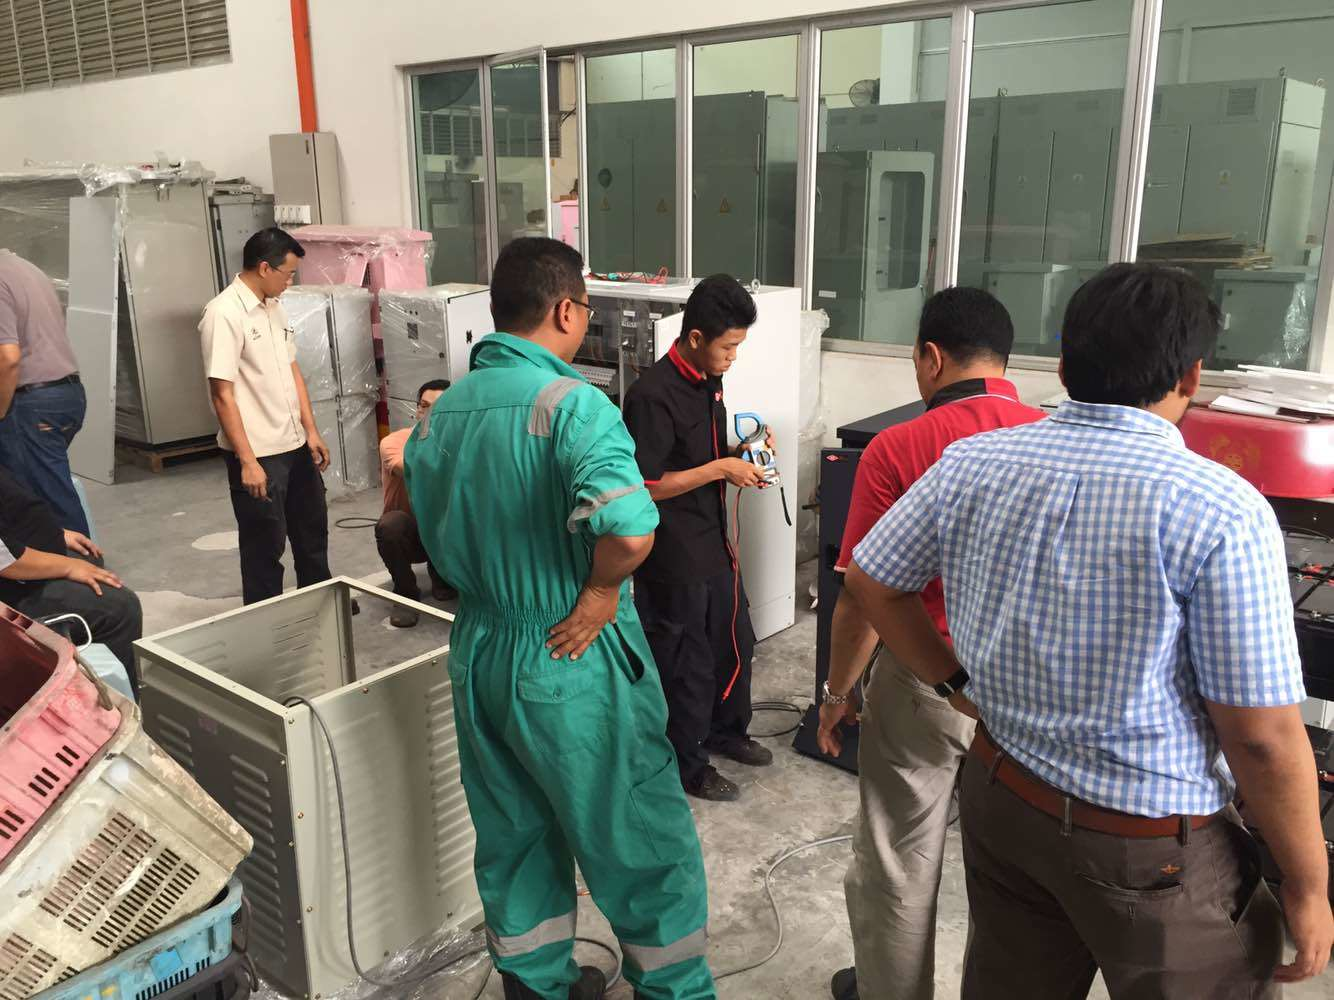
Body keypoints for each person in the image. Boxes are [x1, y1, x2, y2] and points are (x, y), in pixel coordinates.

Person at [846, 263, 1333, 999]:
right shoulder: (1219, 509)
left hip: (1003, 800)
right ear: (1192, 375)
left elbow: (872, 581)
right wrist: (1306, 882)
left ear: (1065, 363)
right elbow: (1262, 736)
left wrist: (954, 682)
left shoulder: (971, 463)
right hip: (1148, 848)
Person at [404, 237, 713, 1000]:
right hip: (568, 650)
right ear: (568, 309)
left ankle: (535, 984)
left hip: (479, 648)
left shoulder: (440, 413)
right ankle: (674, 990)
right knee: (640, 842)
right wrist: (601, 594)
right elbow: (631, 529)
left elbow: (421, 520)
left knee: (514, 834)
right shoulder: (574, 404)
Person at [816, 287, 1044, 1000]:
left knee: (898, 856)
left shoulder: (901, 446)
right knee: (1010, 874)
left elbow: (863, 594)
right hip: (1024, 695)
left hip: (925, 682)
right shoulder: (1050, 438)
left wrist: (837, 693)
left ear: (931, 356)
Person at [621, 275, 772, 802]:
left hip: (714, 543)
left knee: (736, 640)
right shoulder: (651, 395)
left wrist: (743, 450)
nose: (733, 356)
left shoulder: (709, 381)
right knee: (687, 661)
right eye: (728, 346)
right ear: (694, 338)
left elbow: (702, 452)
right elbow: (646, 484)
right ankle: (688, 764)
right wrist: (719, 469)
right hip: (672, 553)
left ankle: (729, 731)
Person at [199, 227, 334, 606]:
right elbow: (222, 394)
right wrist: (247, 461)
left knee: (312, 534)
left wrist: (311, 430)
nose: (290, 282)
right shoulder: (223, 314)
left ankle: (320, 604)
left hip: (294, 445)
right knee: (264, 545)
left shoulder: (275, 307)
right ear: (263, 268)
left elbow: (292, 370)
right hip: (259, 453)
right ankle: (264, 619)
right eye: (287, 274)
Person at [0, 465, 141, 676]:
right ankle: (111, 704)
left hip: (14, 558)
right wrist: (68, 567)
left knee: (90, 558)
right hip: (10, 590)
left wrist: (54, 533)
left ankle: (78, 665)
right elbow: (7, 562)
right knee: (118, 608)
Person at [0, 249, 88, 535]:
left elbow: (8, 357)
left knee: (47, 501)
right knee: (44, 489)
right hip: (66, 394)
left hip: (32, 402)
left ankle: (84, 572)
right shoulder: (25, 267)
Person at [377, 378, 456, 628]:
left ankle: (443, 576)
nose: (429, 412)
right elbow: (407, 468)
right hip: (411, 535)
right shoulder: (394, 442)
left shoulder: (460, 443)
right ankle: (405, 593)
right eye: (424, 406)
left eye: (439, 406)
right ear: (417, 409)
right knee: (390, 525)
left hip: (445, 534)